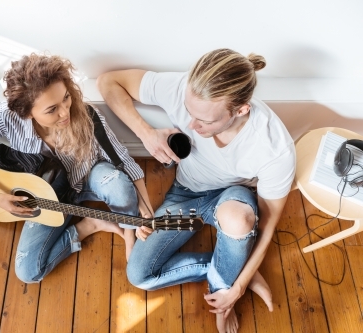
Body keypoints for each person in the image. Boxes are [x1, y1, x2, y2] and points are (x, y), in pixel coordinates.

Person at [97, 48, 295, 333]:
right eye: (190, 113)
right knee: (140, 275)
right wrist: (145, 132)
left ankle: (223, 286)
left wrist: (234, 290)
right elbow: (107, 82)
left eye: (205, 121)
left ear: (241, 110)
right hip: (185, 194)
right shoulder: (183, 88)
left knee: (238, 221)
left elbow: (266, 227)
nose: (191, 125)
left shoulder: (274, 148)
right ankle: (229, 267)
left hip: (232, 196)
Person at [0, 53, 153, 284]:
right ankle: (88, 226)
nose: (65, 112)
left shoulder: (86, 115)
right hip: (48, 195)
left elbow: (124, 161)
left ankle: (128, 234)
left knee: (119, 185)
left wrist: (145, 211)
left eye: (66, 98)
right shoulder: (6, 117)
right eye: (52, 109)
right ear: (26, 112)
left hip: (88, 177)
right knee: (28, 272)